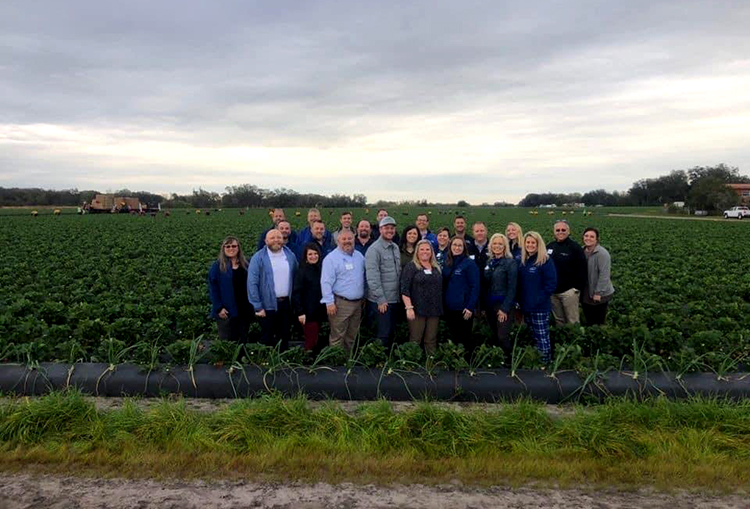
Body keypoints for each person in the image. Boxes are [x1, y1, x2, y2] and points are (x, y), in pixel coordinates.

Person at [247, 229, 298, 350]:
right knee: (267, 335)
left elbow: (297, 277)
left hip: (286, 303)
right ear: (266, 241)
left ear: (283, 240)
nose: (276, 240)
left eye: (279, 237)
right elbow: (252, 283)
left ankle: (283, 362)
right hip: (267, 305)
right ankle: (267, 363)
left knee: (284, 335)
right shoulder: (258, 257)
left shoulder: (290, 255)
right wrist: (257, 306)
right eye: (272, 238)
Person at [320, 230, 366, 351]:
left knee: (352, 335)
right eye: (344, 239)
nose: (347, 241)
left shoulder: (359, 256)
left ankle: (347, 362)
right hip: (340, 303)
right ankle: (336, 364)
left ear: (354, 239)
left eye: (349, 239)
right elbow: (326, 282)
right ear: (337, 241)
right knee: (338, 335)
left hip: (357, 303)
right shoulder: (331, 259)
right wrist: (329, 302)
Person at [518, 231, 557, 363]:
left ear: (538, 244)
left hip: (539, 307)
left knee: (542, 337)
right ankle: (535, 361)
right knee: (533, 336)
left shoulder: (545, 261)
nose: (530, 245)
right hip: (526, 307)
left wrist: (537, 300)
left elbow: (550, 285)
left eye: (533, 242)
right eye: (527, 242)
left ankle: (545, 363)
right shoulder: (524, 261)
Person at [401, 239, 443, 355]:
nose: (425, 252)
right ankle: (411, 363)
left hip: (434, 310)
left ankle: (430, 364)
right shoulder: (411, 267)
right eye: (422, 249)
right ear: (417, 252)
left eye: (427, 249)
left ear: (431, 251)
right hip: (417, 310)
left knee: (431, 339)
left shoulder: (436, 267)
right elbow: (404, 288)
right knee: (415, 338)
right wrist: (409, 307)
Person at [365, 216, 402, 349]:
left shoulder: (395, 247)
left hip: (393, 299)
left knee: (391, 332)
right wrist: (380, 299)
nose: (390, 230)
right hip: (382, 301)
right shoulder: (374, 249)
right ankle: (379, 363)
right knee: (383, 334)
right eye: (386, 228)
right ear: (380, 229)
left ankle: (387, 361)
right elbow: (372, 276)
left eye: (392, 228)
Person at [207, 236, 252, 342]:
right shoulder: (217, 266)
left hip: (244, 309)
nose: (231, 248)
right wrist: (219, 308)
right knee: (228, 340)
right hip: (226, 310)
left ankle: (241, 358)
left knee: (243, 338)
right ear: (223, 249)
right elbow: (213, 289)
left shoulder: (246, 264)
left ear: (238, 248)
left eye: (234, 246)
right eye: (227, 246)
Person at [442, 237, 480, 356]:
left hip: (463, 308)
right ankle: (455, 363)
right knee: (454, 336)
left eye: (460, 246)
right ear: (450, 246)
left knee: (464, 338)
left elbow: (475, 286)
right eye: (454, 245)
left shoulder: (469, 263)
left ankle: (467, 364)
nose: (457, 248)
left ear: (464, 248)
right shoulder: (447, 262)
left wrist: (470, 307)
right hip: (449, 307)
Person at [483, 234, 518, 358]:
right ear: (491, 246)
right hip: (490, 304)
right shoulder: (489, 262)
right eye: (494, 243)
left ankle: (509, 360)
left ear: (505, 247)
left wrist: (505, 308)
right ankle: (498, 361)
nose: (497, 246)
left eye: (500, 244)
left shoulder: (510, 263)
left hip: (503, 304)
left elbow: (512, 287)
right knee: (494, 334)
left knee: (503, 335)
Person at [547, 220, 587, 326]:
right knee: (559, 320)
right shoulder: (549, 247)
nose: (560, 232)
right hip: (553, 292)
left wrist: (576, 289)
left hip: (569, 292)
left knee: (573, 320)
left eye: (563, 230)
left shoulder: (575, 248)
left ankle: (575, 340)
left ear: (568, 232)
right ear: (554, 232)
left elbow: (582, 269)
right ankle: (563, 339)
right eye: (558, 230)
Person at [292, 243, 327, 351]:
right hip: (308, 313)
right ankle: (308, 364)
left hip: (320, 311)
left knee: (317, 339)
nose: (313, 256)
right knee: (310, 341)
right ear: (305, 257)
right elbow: (296, 293)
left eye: (315, 253)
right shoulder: (302, 271)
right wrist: (300, 312)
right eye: (310, 254)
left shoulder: (322, 269)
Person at [581, 227, 614, 326]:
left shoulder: (602, 253)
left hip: (600, 292)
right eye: (586, 236)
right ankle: (591, 332)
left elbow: (604, 275)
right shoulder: (581, 251)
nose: (588, 238)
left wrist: (598, 292)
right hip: (586, 290)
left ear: (597, 239)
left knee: (599, 318)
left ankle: (599, 335)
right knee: (589, 316)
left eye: (592, 236)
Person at [467, 222, 490, 312]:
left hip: (489, 289)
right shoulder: (467, 248)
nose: (479, 233)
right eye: (477, 231)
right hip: (471, 289)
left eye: (482, 230)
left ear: (486, 232)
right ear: (473, 233)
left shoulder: (493, 246)